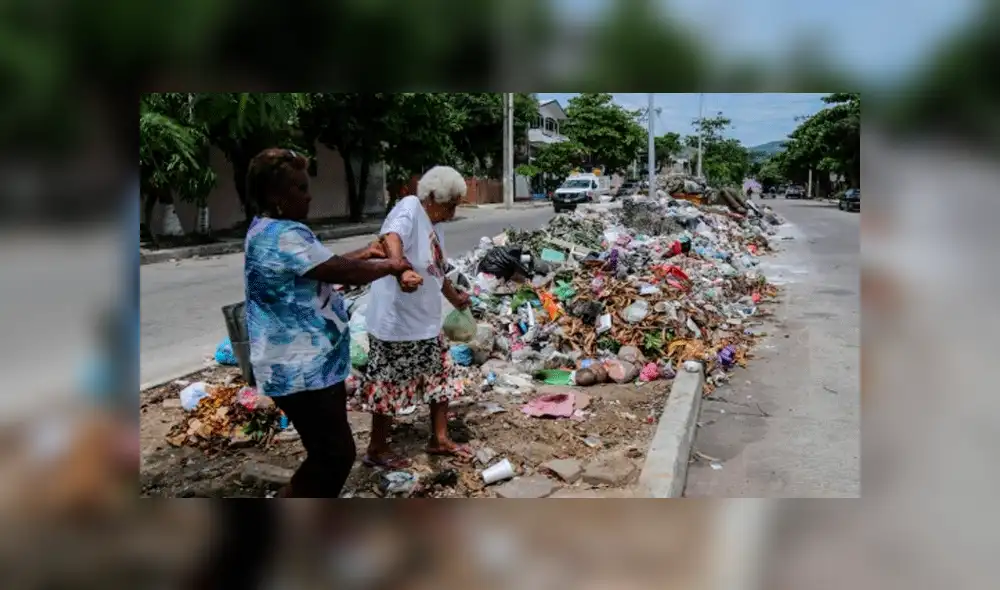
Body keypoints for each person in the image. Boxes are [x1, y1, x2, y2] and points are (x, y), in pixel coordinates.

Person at [243, 148, 412, 498]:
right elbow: (341, 271)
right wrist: (391, 267)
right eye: (301, 189)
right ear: (277, 197)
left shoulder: (267, 230)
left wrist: (366, 254)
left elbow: (321, 266)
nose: (309, 196)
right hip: (300, 370)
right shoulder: (285, 234)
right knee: (334, 455)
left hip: (303, 368)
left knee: (329, 453)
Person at [360, 165, 474, 467]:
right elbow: (390, 237)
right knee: (388, 384)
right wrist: (401, 269)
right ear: (433, 197)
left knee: (442, 379)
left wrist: (455, 297)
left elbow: (437, 270)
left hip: (426, 320)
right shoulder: (410, 207)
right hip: (396, 321)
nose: (451, 213)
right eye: (449, 205)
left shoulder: (436, 224)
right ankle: (377, 448)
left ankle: (439, 438)